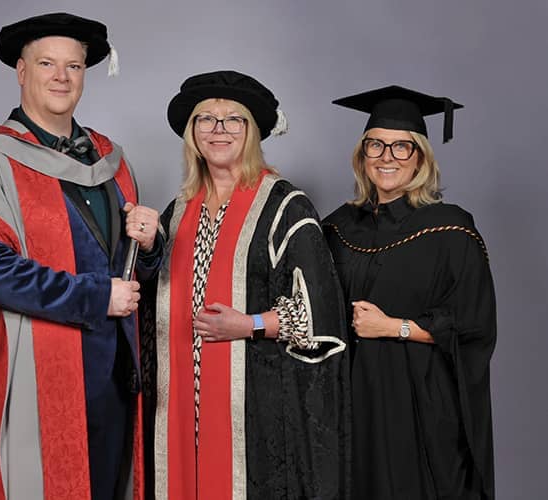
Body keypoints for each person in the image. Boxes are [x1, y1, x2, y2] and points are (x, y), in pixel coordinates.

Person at [0, 12, 162, 500]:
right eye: (47, 63)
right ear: (22, 71)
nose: (61, 77)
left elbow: (126, 271)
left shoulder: (109, 161)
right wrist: (93, 297)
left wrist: (149, 247)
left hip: (113, 372)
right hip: (37, 372)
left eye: (74, 66)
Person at [143, 70, 349, 500]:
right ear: (192, 132)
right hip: (180, 407)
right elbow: (149, 302)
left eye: (233, 119)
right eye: (206, 119)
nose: (219, 130)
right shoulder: (177, 212)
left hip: (253, 408)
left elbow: (322, 313)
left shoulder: (284, 206)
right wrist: (143, 248)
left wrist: (251, 324)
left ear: (253, 131)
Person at [323, 85, 496, 499]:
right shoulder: (338, 227)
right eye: (376, 146)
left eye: (401, 147)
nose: (386, 157)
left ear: (420, 157)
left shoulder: (450, 229)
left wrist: (393, 327)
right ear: (362, 155)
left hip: (420, 402)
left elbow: (474, 326)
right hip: (352, 398)